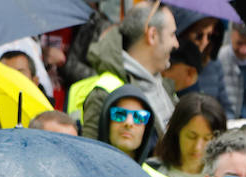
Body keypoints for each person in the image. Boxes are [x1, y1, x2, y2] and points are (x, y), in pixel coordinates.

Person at [71, 3, 179, 135]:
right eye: (172, 35)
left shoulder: (161, 85)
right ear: (152, 35)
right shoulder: (105, 92)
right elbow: (93, 151)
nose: (176, 44)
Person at [146, 93, 226, 177]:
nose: (198, 147)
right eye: (191, 136)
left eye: (207, 139)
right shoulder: (152, 173)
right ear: (176, 132)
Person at [95, 85, 160, 166]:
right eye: (119, 114)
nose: (129, 123)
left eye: (139, 117)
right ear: (107, 120)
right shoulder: (83, 172)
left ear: (146, 128)